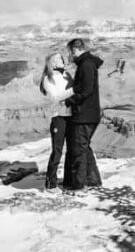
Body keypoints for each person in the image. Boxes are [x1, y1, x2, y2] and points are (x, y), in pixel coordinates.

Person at [64, 38, 103, 192]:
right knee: (84, 148)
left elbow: (86, 91)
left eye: (70, 52)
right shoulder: (87, 63)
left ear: (75, 50)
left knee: (78, 151)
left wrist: (69, 101)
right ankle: (93, 181)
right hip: (89, 114)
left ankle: (79, 186)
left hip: (84, 115)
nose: (70, 55)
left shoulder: (86, 65)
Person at [39, 52, 75, 191]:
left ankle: (69, 182)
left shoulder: (67, 75)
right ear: (51, 63)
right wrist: (73, 90)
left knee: (71, 151)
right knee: (57, 151)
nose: (61, 60)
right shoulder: (48, 79)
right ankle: (50, 184)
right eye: (57, 59)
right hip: (58, 117)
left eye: (61, 58)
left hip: (71, 116)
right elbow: (55, 97)